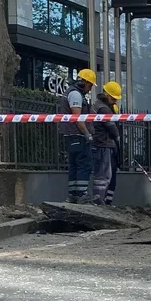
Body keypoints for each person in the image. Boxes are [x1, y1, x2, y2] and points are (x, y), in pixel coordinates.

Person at [57, 68, 96, 203]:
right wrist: (87, 134)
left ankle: (73, 194)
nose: (90, 89)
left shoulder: (72, 93)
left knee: (74, 164)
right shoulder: (75, 94)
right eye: (90, 85)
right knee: (84, 164)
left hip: (70, 135)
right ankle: (81, 194)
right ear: (83, 82)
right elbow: (77, 116)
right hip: (77, 135)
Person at [87, 81, 121, 205]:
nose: (115, 101)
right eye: (113, 98)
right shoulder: (104, 109)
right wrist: (117, 139)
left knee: (100, 174)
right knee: (103, 176)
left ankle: (98, 200)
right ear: (107, 95)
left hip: (98, 143)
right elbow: (112, 128)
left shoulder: (97, 105)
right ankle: (98, 201)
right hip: (103, 144)